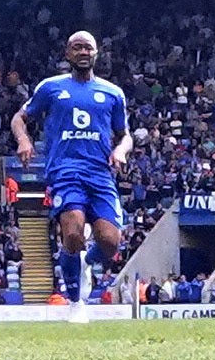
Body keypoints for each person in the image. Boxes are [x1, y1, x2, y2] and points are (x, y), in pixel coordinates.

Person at [10, 31, 130, 320]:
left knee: (111, 242)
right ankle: (76, 303)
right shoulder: (50, 88)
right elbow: (18, 118)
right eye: (77, 48)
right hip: (65, 171)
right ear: (67, 54)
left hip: (100, 174)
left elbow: (124, 135)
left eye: (88, 47)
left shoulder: (113, 93)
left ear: (96, 53)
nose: (83, 52)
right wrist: (24, 141)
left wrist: (121, 151)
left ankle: (87, 263)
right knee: (73, 233)